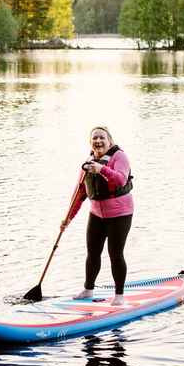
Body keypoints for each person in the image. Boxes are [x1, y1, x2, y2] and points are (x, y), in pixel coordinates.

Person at [61, 126, 134, 304]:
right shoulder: (88, 163)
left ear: (110, 140)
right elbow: (79, 194)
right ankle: (88, 290)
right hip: (96, 214)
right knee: (92, 253)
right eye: (95, 138)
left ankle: (119, 296)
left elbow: (120, 180)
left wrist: (101, 169)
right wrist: (68, 218)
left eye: (102, 138)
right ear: (90, 142)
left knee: (115, 253)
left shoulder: (119, 157)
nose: (98, 141)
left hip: (120, 213)